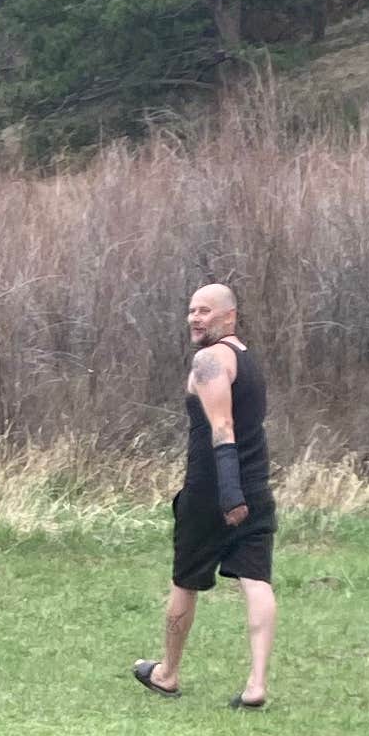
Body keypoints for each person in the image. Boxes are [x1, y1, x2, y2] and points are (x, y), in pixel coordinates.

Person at [132, 281, 275, 708]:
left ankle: (168, 674)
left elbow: (223, 428)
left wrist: (229, 495)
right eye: (192, 310)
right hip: (257, 484)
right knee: (256, 580)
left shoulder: (210, 359)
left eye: (205, 311)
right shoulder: (248, 361)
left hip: (213, 492)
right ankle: (257, 685)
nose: (195, 318)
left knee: (185, 580)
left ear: (230, 316)